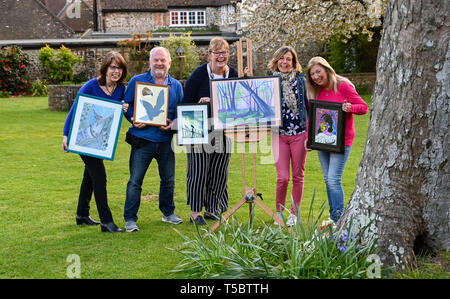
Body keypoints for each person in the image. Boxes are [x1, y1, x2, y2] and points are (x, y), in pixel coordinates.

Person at [62, 51, 128, 233]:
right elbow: (75, 110)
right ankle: (107, 222)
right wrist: (65, 135)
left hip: (101, 142)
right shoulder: (91, 85)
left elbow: (128, 112)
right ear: (105, 68)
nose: (116, 71)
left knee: (89, 176)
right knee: (99, 177)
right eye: (113, 67)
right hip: (83, 139)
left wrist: (126, 108)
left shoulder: (122, 89)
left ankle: (81, 214)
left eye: (120, 68)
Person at [122, 47, 184, 232]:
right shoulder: (137, 81)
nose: (159, 63)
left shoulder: (177, 86)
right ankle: (130, 219)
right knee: (135, 180)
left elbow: (181, 113)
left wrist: (173, 124)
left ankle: (168, 213)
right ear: (150, 62)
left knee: (168, 180)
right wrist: (133, 118)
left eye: (162, 60)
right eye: (156, 60)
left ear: (169, 63)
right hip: (142, 140)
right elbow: (126, 106)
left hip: (166, 141)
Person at [182, 37, 238, 225]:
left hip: (224, 130)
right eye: (217, 53)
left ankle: (212, 209)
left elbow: (239, 101)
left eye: (224, 52)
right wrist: (199, 104)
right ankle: (195, 212)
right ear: (210, 55)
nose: (221, 56)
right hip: (199, 129)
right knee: (198, 171)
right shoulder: (198, 75)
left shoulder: (233, 74)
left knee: (219, 170)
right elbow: (185, 103)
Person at [305, 56, 368, 223]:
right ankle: (334, 218)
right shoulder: (315, 90)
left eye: (318, 71)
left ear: (326, 69)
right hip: (322, 139)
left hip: (342, 140)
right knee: (327, 179)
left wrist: (350, 108)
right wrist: (309, 138)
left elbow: (363, 107)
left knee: (333, 179)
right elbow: (313, 116)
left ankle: (338, 218)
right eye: (312, 74)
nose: (316, 76)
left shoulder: (343, 86)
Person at [268, 46, 309, 227]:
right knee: (282, 177)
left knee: (298, 176)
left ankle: (294, 213)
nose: (284, 62)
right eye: (281, 59)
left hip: (299, 133)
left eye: (288, 59)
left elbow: (311, 102)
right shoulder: (269, 81)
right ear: (276, 61)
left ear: (293, 62)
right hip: (279, 134)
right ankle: (280, 212)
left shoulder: (301, 80)